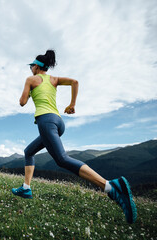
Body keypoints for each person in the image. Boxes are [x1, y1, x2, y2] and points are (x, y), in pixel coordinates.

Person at [11, 49, 137, 224]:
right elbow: (75, 82)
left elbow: (22, 102)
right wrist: (72, 104)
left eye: (31, 66)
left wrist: (29, 92)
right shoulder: (53, 79)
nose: (30, 69)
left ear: (37, 66)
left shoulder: (31, 80)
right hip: (58, 122)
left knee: (62, 159)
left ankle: (110, 186)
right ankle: (26, 188)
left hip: (46, 121)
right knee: (29, 151)